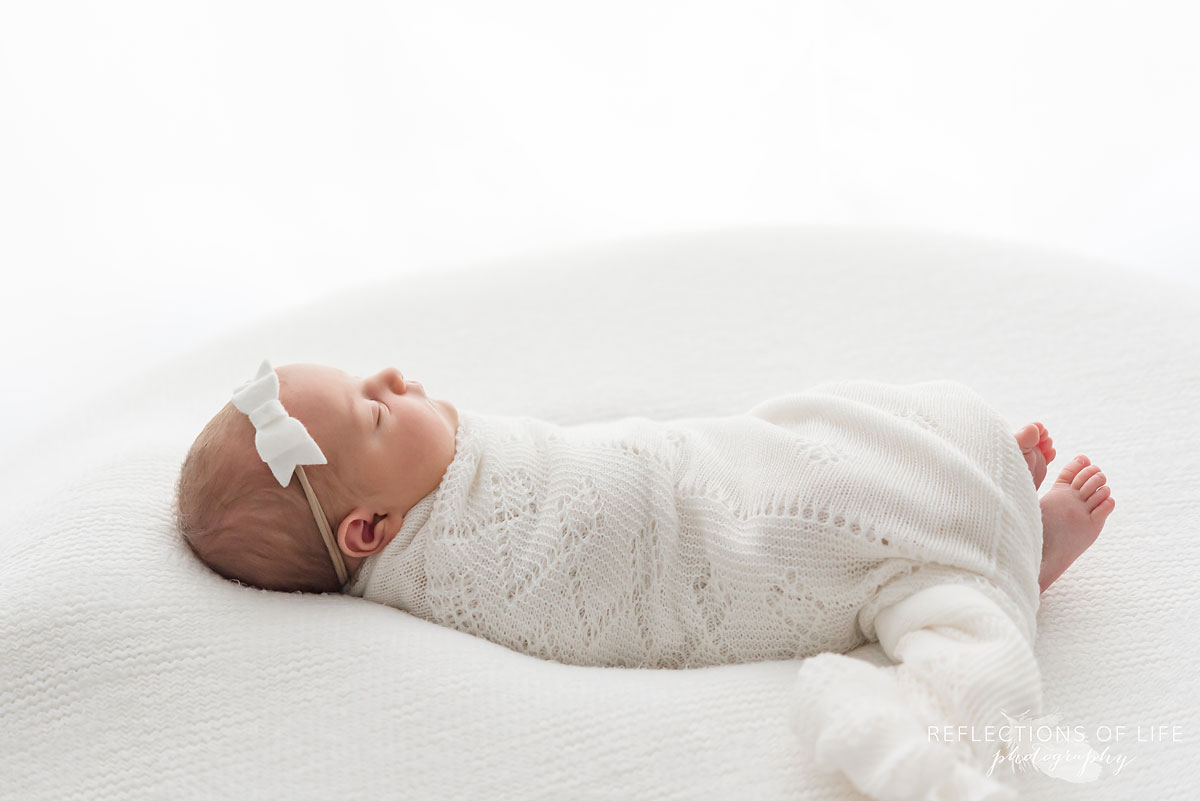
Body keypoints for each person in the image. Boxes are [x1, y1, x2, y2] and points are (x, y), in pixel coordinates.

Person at [177, 361, 1114, 800]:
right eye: (376, 411)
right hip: (708, 538)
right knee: (837, 524)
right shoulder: (454, 562)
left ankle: (969, 485)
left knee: (824, 431)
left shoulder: (432, 485)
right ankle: (1007, 547)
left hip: (705, 464)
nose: (392, 376)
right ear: (367, 529)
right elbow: (610, 549)